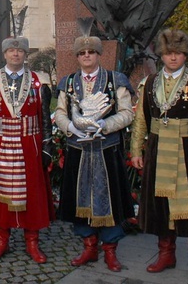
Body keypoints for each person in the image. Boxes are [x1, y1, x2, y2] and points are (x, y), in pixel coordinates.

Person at [130, 29, 188, 283]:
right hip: (159, 148)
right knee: (161, 204)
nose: (173, 58)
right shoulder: (149, 82)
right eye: (169, 53)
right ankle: (166, 254)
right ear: (161, 55)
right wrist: (136, 149)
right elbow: (140, 119)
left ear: (185, 55)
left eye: (178, 53)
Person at [54, 34, 134, 271]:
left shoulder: (114, 80)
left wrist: (105, 126)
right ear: (77, 57)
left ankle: (110, 250)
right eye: (81, 53)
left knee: (111, 200)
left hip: (107, 150)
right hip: (78, 150)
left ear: (99, 55)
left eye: (91, 52)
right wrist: (70, 127)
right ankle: (89, 246)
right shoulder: (67, 82)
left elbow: (127, 112)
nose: (86, 56)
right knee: (79, 200)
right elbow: (60, 112)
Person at [0, 37, 55, 263]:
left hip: (29, 143)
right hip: (0, 144)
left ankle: (32, 241)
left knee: (32, 194)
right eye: (11, 51)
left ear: (25, 54)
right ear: (4, 54)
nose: (15, 54)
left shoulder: (39, 81)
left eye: (20, 51)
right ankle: (2, 240)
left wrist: (47, 146)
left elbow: (45, 118)